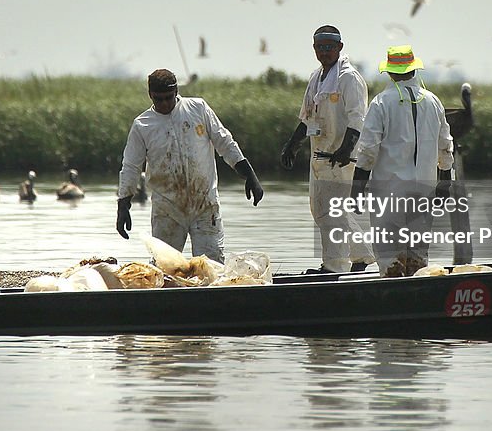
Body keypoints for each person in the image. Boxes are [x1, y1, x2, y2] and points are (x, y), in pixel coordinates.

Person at [116, 69, 264, 263]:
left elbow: (224, 142)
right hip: (167, 209)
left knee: (212, 266)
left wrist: (248, 174)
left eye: (169, 97)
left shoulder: (198, 108)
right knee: (164, 268)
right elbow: (131, 166)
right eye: (158, 99)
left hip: (204, 204)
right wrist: (123, 205)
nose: (164, 104)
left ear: (177, 91)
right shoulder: (142, 125)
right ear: (150, 95)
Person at [280, 25, 376, 273]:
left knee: (329, 212)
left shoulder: (349, 78)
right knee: (326, 209)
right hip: (319, 156)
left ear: (340, 48)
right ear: (314, 49)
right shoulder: (316, 79)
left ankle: (334, 266)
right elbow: (306, 118)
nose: (324, 52)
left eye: (329, 47)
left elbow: (358, 120)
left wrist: (346, 150)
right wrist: (292, 145)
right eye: (320, 48)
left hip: (341, 157)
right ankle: (363, 256)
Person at [351, 45, 454, 276]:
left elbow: (368, 152)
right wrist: (445, 181)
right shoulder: (433, 101)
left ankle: (393, 303)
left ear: (389, 72)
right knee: (419, 259)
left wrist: (356, 190)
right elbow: (445, 145)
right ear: (414, 70)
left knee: (389, 260)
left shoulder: (380, 103)